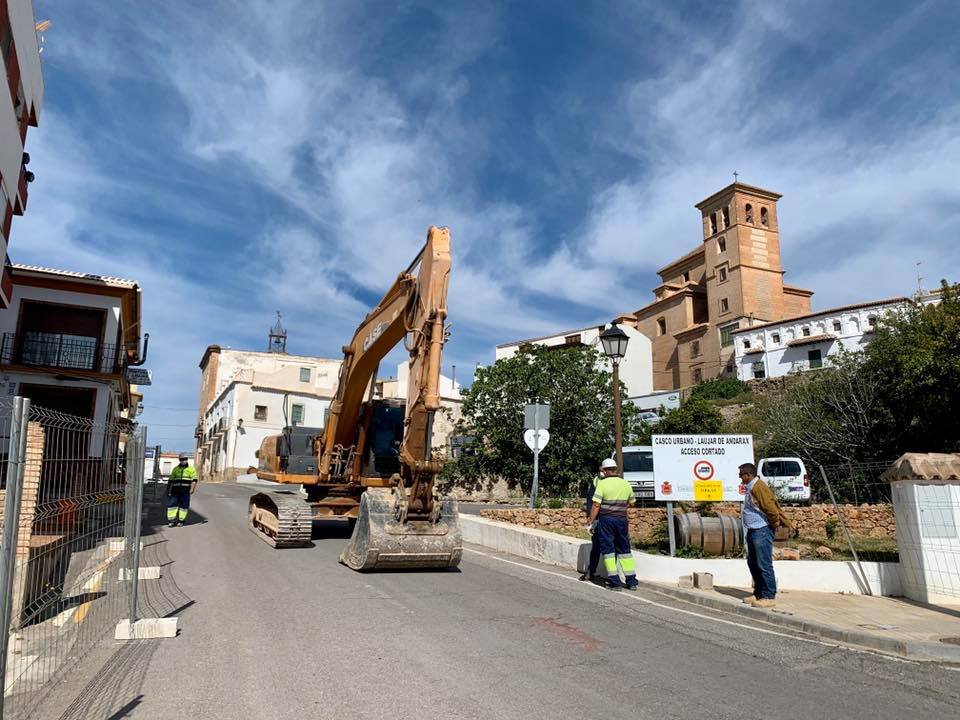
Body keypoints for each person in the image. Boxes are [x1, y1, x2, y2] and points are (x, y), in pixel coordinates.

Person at [739, 462, 792, 608]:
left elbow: (771, 509)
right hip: (753, 529)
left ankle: (769, 595)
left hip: (761, 529)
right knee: (753, 562)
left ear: (748, 475)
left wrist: (773, 525)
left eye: (741, 475)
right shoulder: (751, 487)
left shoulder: (758, 487)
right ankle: (758, 593)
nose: (740, 478)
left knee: (763, 563)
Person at [587, 458, 639, 590]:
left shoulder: (602, 484)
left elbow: (596, 505)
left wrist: (591, 520)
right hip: (622, 520)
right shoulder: (625, 484)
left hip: (607, 521)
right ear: (615, 470)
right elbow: (632, 502)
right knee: (625, 550)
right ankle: (631, 581)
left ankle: (615, 582)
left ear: (604, 471)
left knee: (608, 551)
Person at [579, 464, 604, 583]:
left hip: (609, 517)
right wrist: (590, 516)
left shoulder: (615, 482)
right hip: (599, 517)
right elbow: (591, 501)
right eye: (600, 471)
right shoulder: (596, 481)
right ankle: (590, 572)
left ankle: (613, 577)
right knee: (596, 546)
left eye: (603, 470)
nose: (602, 473)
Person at [167, 453, 198, 527]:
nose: (183, 461)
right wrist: (168, 489)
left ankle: (181, 521)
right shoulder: (175, 469)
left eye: (184, 459)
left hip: (185, 491)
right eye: (181, 459)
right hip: (175, 490)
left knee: (184, 506)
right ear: (179, 460)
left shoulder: (191, 469)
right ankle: (172, 521)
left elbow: (194, 480)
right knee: (172, 506)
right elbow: (170, 480)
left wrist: (192, 489)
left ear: (187, 459)